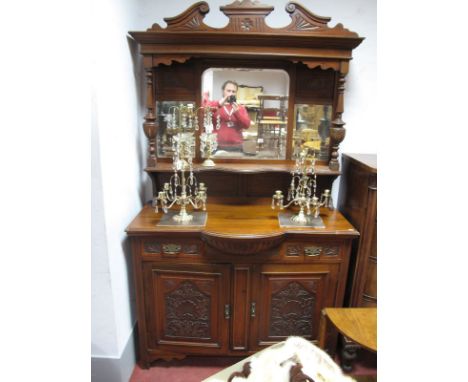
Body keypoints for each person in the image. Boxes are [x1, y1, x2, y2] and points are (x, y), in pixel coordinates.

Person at [204, 80, 251, 151]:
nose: (231, 94)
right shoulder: (215, 105)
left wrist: (237, 113)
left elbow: (247, 125)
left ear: (236, 93)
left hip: (237, 147)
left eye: (233, 91)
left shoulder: (240, 108)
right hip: (217, 146)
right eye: (228, 91)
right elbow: (204, 111)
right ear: (223, 91)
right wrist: (219, 104)